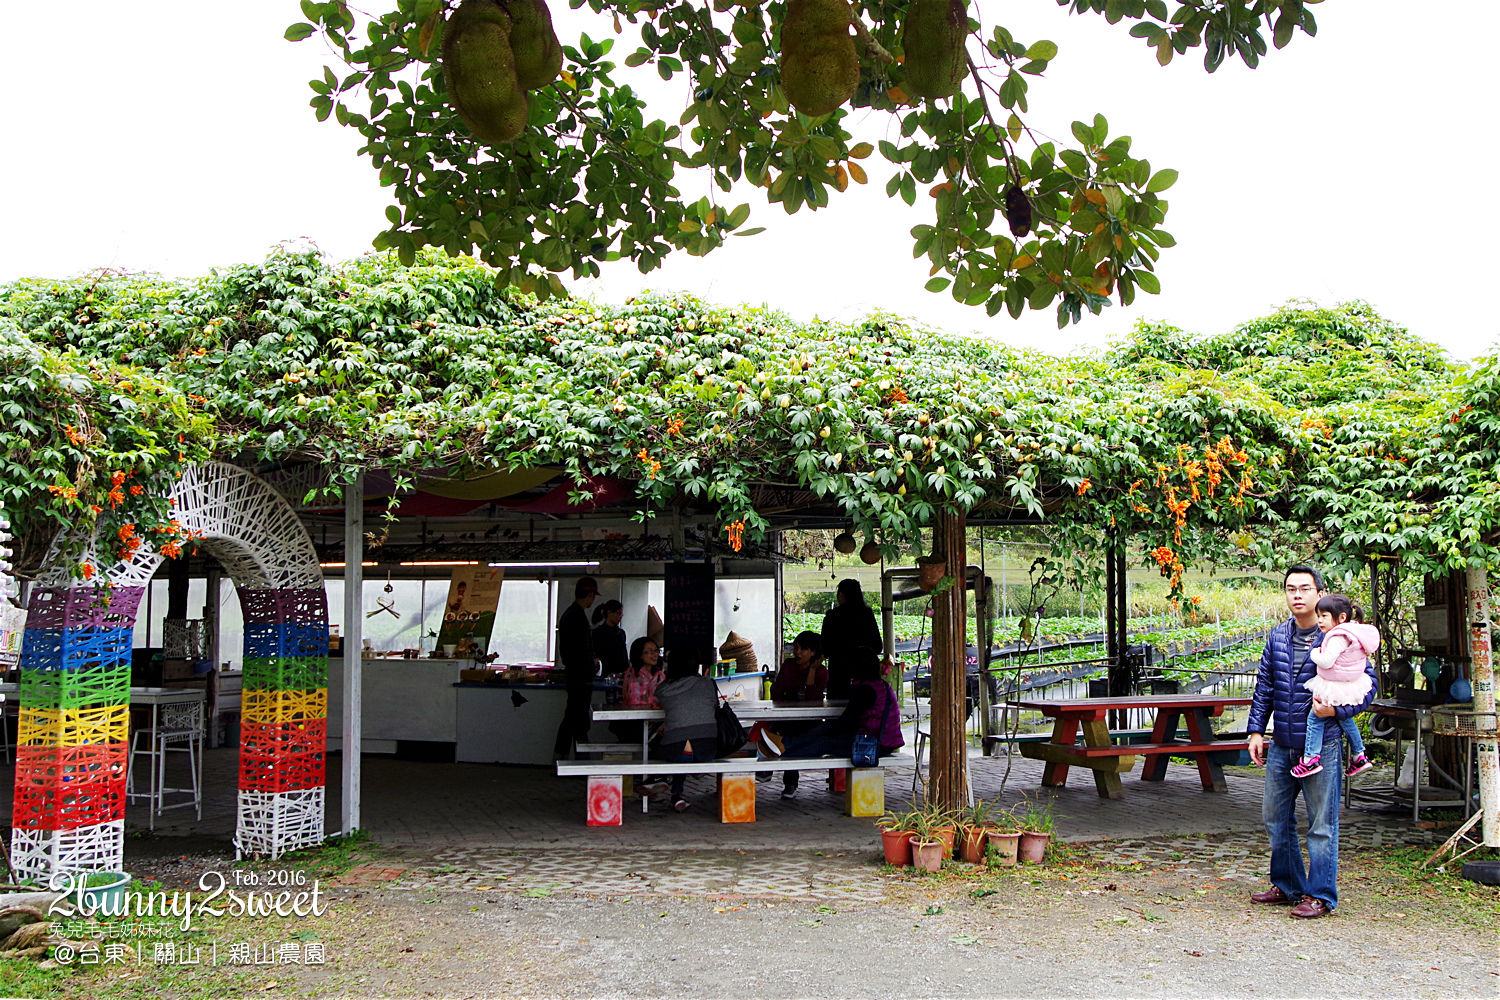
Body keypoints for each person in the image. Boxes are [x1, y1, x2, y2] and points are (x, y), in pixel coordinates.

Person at [1246, 565, 1377, 919]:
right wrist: (1256, 731)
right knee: (1275, 816)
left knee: (1321, 824)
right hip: (1283, 742)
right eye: (1291, 589)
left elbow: (1368, 687)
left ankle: (1320, 895)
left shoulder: (1342, 638)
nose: (1297, 595)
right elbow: (1265, 688)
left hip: (1324, 745)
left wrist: (1335, 712)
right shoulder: (1277, 637)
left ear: (1320, 594)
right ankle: (1288, 885)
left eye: (1305, 588)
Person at [759, 646, 904, 780]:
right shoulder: (877, 686)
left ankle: (782, 750)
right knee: (827, 729)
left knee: (825, 743)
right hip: (875, 739)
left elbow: (847, 723)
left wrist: (826, 731)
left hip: (875, 745)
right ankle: (783, 745)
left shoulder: (866, 691)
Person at [1295, 593, 1378, 779]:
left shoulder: (1337, 637)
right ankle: (1359, 754)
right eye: (1318, 616)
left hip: (1335, 685)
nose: (1319, 621)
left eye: (1324, 616)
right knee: (1345, 719)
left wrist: (1314, 652)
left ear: (1341, 617)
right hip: (1349, 684)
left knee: (1315, 718)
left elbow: (1326, 661)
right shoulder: (1354, 633)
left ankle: (1310, 758)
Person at [650, 649, 720, 812]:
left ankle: (657, 779)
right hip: (708, 749)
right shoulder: (708, 683)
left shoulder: (664, 689)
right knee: (686, 740)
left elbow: (658, 699)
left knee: (668, 742)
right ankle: (675, 793)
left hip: (677, 749)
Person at [764, 630, 829, 798]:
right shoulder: (788, 666)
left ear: (814, 652)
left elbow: (811, 697)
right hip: (786, 716)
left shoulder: (821, 673)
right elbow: (777, 691)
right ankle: (779, 775)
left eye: (803, 649)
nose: (797, 653)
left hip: (809, 720)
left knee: (790, 734)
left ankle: (785, 779)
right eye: (796, 648)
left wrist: (812, 671)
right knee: (775, 729)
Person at [551, 576, 599, 759]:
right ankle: (575, 760)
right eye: (593, 596)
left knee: (574, 718)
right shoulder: (577, 617)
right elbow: (582, 650)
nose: (593, 600)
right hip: (581, 677)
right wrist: (591, 665)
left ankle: (569, 759)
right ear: (589, 595)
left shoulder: (569, 615)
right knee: (577, 720)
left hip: (574, 675)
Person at [821, 578, 882, 699]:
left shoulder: (832, 616)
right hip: (865, 678)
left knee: (836, 713)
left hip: (839, 677)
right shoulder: (867, 615)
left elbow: (825, 648)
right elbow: (878, 646)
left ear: (841, 595)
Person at [591, 600, 628, 677]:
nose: (620, 617)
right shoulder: (597, 633)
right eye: (618, 613)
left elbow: (623, 655)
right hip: (603, 674)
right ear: (609, 613)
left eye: (621, 614)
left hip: (620, 674)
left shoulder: (621, 633)